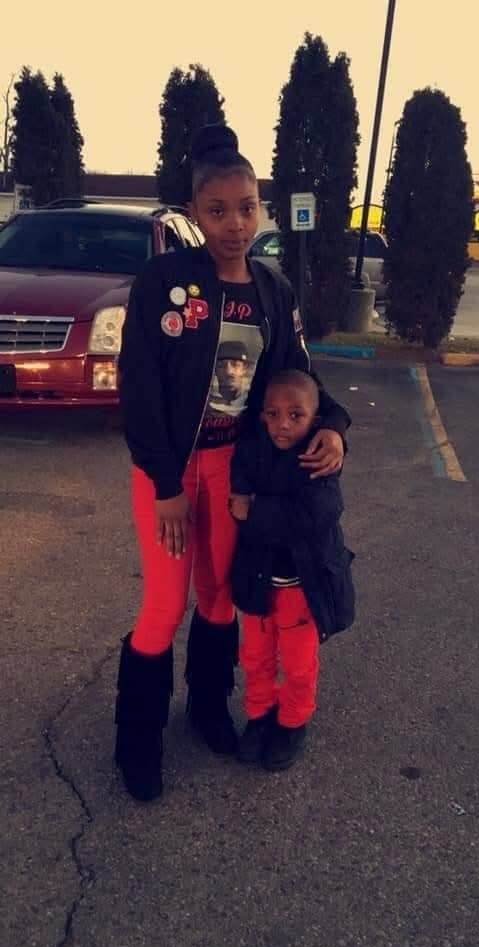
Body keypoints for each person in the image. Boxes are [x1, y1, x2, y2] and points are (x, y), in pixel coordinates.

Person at [114, 123, 351, 802]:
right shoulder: (165, 282)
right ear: (195, 212)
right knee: (165, 605)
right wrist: (165, 484)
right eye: (217, 210)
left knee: (220, 596)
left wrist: (334, 427)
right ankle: (137, 744)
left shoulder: (273, 290)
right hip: (167, 473)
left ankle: (209, 708)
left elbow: (298, 378)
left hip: (232, 471)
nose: (235, 224)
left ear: (260, 208)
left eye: (246, 208)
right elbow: (140, 387)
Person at [229, 369, 355, 771]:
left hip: (302, 584)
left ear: (315, 419)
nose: (283, 424)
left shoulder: (318, 457)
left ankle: (292, 721)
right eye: (273, 414)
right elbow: (237, 499)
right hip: (258, 579)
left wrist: (255, 511)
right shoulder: (251, 450)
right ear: (262, 416)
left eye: (296, 415)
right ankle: (259, 714)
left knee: (298, 663)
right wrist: (250, 508)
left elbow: (315, 515)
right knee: (255, 656)